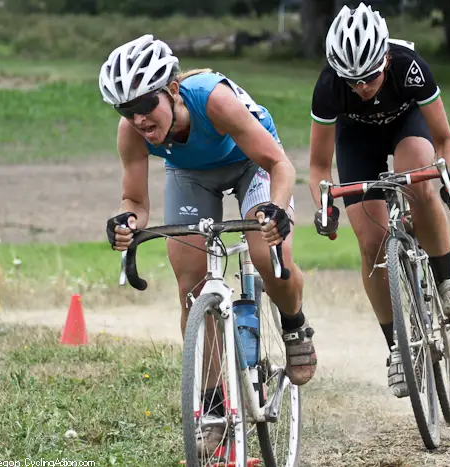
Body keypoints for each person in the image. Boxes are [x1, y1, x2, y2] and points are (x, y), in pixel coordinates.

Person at [98, 34, 317, 453]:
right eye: (128, 110)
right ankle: (213, 403)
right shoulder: (131, 131)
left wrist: (277, 209)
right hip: (192, 175)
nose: (140, 119)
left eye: (146, 105)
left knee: (266, 254)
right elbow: (136, 202)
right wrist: (127, 222)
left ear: (173, 89)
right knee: (189, 283)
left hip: (252, 162)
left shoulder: (213, 100)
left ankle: (294, 326)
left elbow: (279, 164)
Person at [308, 3, 450, 398]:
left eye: (370, 76)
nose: (363, 87)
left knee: (421, 181)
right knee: (370, 242)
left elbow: (446, 142)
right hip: (357, 141)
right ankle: (397, 346)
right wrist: (324, 207)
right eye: (353, 81)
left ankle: (447, 278)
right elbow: (317, 166)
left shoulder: (409, 67)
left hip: (406, 125)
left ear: (385, 57)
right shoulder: (330, 87)